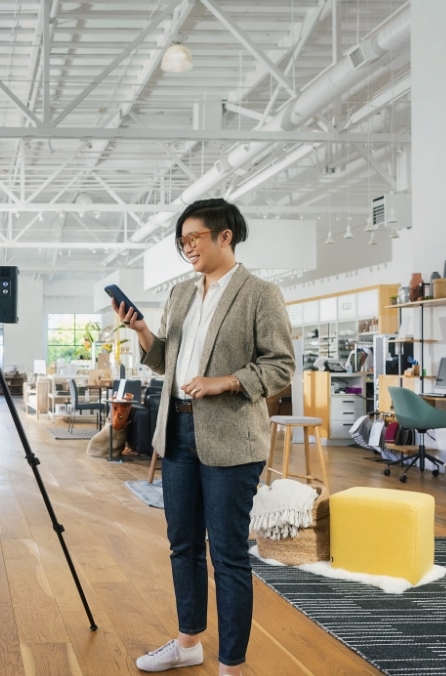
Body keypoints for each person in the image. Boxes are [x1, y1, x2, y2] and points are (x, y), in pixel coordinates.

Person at [112, 198, 294, 675]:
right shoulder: (180, 295)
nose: (186, 246)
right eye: (182, 240)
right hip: (178, 431)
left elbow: (281, 366)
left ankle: (231, 664)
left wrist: (227, 381)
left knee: (228, 553)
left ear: (224, 236)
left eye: (194, 237)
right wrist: (143, 331)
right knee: (183, 545)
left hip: (231, 435)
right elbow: (167, 362)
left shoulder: (260, 293)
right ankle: (188, 643)